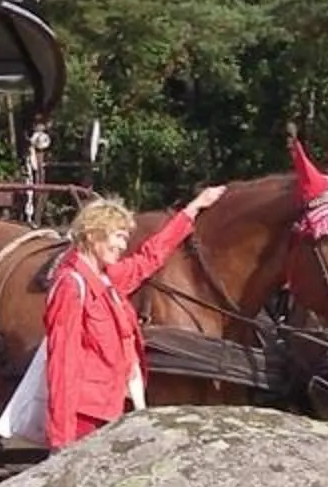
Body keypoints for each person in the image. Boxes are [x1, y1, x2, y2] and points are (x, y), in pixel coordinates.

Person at [43, 185, 223, 450]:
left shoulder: (108, 278)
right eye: (118, 236)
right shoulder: (71, 286)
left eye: (125, 238)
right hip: (84, 420)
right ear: (93, 235)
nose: (122, 245)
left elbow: (149, 257)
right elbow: (62, 362)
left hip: (112, 410)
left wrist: (191, 210)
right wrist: (62, 438)